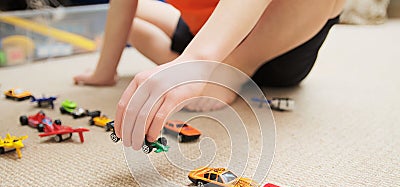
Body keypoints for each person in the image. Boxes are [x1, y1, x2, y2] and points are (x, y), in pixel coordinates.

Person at [74, 0, 345, 150]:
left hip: (276, 40)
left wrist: (197, 61)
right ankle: (197, 69)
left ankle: (233, 69)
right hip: (206, 31)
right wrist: (104, 71)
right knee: (127, 19)